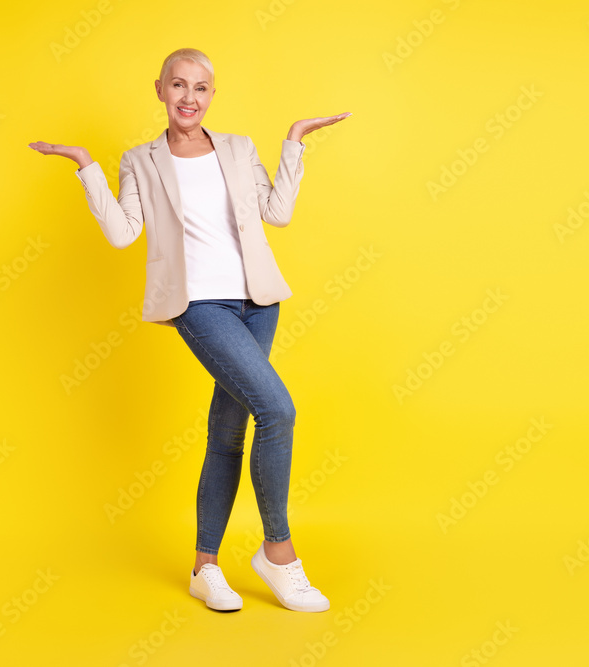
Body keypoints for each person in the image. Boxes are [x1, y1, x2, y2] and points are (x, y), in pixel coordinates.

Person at [29, 48, 350, 613]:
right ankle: (279, 553)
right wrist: (86, 166)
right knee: (277, 411)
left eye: (200, 88)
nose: (189, 98)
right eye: (178, 85)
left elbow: (277, 212)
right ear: (159, 90)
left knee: (227, 432)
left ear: (211, 95)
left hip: (258, 300)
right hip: (199, 305)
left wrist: (295, 141)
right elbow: (124, 232)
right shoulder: (141, 160)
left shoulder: (238, 148)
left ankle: (206, 567)